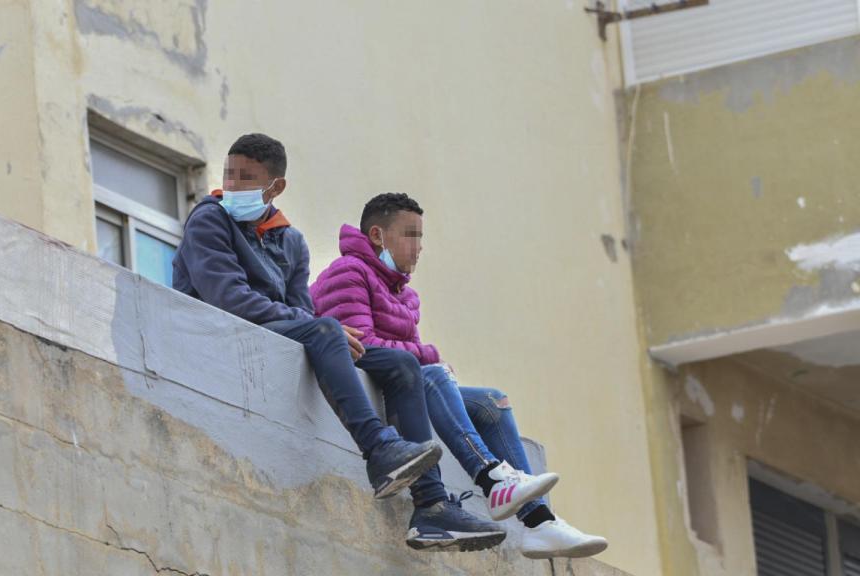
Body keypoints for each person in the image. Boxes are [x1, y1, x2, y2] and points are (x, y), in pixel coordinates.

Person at [172, 135, 502, 551]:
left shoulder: (290, 241)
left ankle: (432, 507)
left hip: (277, 338)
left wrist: (316, 327)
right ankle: (379, 449)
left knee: (403, 367)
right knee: (327, 329)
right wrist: (318, 327)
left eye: (248, 179)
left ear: (276, 188)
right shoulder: (209, 219)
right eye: (229, 175)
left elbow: (299, 311)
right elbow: (228, 297)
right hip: (220, 333)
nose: (233, 187)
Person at [309, 192, 609, 559]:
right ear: (377, 236)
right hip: (363, 384)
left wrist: (426, 362)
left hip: (403, 385)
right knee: (434, 373)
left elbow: (409, 360)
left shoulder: (405, 295)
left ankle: (541, 524)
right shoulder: (348, 272)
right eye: (411, 235)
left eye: (421, 237)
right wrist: (429, 356)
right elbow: (363, 346)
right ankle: (491, 477)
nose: (419, 247)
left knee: (490, 401)